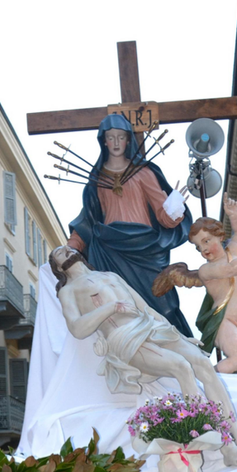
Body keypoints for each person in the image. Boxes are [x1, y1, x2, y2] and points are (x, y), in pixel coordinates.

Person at [49, 245, 237, 466]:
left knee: (202, 363)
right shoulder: (69, 290)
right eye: (59, 253)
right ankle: (225, 447)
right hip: (125, 337)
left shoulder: (110, 275)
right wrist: (110, 308)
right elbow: (77, 328)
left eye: (66, 248)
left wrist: (179, 334)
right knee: (181, 367)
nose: (65, 250)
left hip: (151, 326)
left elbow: (144, 307)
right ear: (59, 268)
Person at [67, 113, 193, 336]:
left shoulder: (143, 173)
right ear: (104, 141)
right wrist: (71, 247)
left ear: (128, 140)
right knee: (119, 311)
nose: (116, 142)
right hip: (110, 249)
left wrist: (174, 209)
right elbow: (88, 219)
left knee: (164, 307)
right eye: (111, 137)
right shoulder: (96, 180)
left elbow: (162, 215)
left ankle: (180, 346)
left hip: (145, 248)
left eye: (121, 137)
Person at [152, 195, 237, 375]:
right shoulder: (206, 270)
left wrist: (234, 214)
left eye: (206, 241)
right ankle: (205, 379)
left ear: (220, 236)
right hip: (224, 323)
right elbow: (230, 270)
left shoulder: (232, 252)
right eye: (198, 246)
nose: (203, 249)